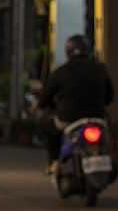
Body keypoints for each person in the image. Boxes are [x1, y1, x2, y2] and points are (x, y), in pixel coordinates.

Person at [38, 34, 114, 173]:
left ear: (68, 51)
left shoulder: (61, 71)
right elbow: (109, 96)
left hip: (68, 119)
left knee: (47, 125)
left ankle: (54, 161)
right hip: (97, 117)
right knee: (110, 132)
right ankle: (111, 156)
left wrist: (44, 105)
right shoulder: (100, 69)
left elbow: (45, 97)